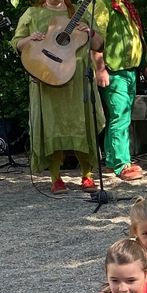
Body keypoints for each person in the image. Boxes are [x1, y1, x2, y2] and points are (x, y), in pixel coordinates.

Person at [11, 0, 106, 194]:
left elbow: (99, 45)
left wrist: (90, 32)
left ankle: (87, 175)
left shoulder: (79, 12)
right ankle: (56, 178)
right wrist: (30, 39)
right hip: (46, 77)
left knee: (81, 125)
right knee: (52, 127)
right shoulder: (32, 13)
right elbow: (17, 44)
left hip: (78, 81)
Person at [91, 0, 147, 181]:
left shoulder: (126, 6)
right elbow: (93, 39)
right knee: (120, 116)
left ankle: (112, 161)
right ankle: (122, 164)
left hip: (130, 70)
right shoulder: (102, 5)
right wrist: (100, 69)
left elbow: (136, 39)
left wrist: (145, 66)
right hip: (113, 71)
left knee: (121, 117)